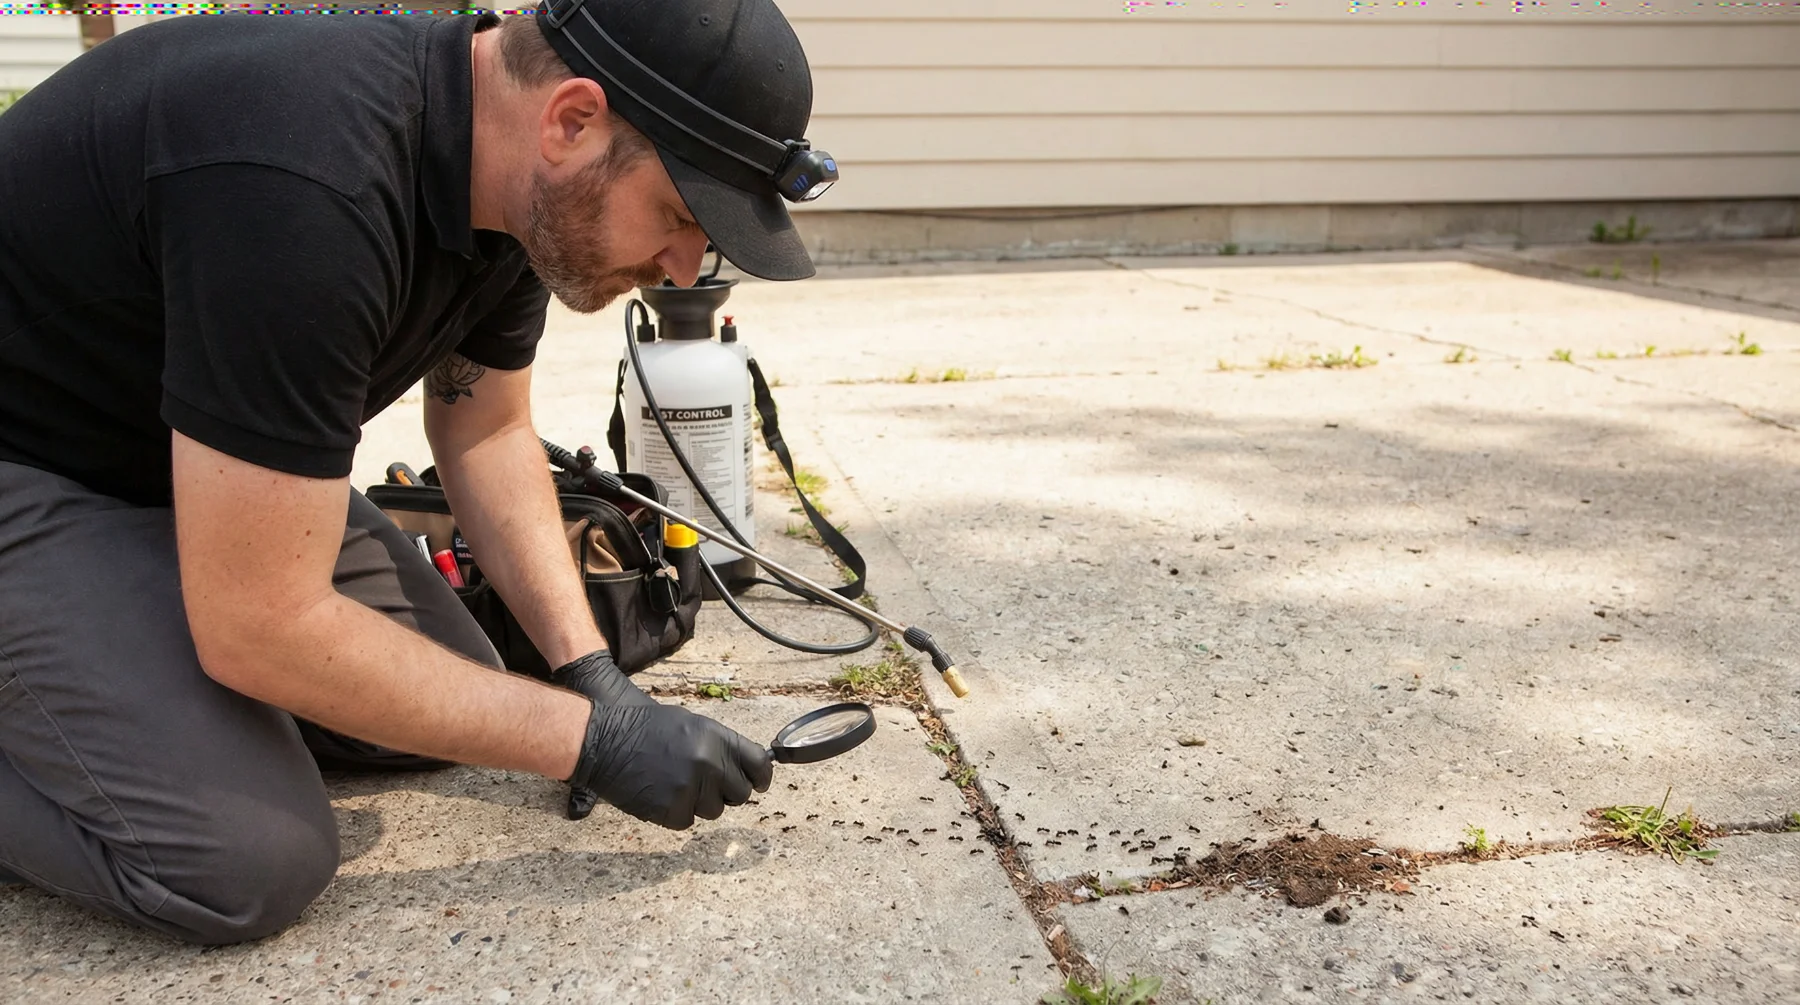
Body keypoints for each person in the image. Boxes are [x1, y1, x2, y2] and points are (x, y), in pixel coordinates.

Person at [0, 0, 829, 944]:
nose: (683, 271)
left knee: (442, 693)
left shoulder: (515, 187)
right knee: (242, 857)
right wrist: (585, 742)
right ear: (571, 119)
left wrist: (591, 677)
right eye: (680, 215)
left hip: (164, 458)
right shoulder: (306, 185)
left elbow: (486, 430)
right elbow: (257, 624)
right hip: (25, 464)